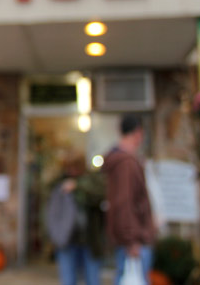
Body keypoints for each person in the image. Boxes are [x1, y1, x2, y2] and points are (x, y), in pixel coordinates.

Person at [102, 115, 156, 285]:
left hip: (129, 236)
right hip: (134, 238)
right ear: (137, 133)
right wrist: (131, 239)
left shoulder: (122, 160)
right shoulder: (126, 163)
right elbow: (124, 202)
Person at [46, 152, 105, 285]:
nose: (71, 171)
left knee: (92, 279)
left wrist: (79, 186)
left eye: (74, 167)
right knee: (68, 279)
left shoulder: (91, 181)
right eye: (69, 167)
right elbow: (52, 211)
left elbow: (100, 195)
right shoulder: (59, 183)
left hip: (90, 240)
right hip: (67, 240)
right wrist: (55, 235)